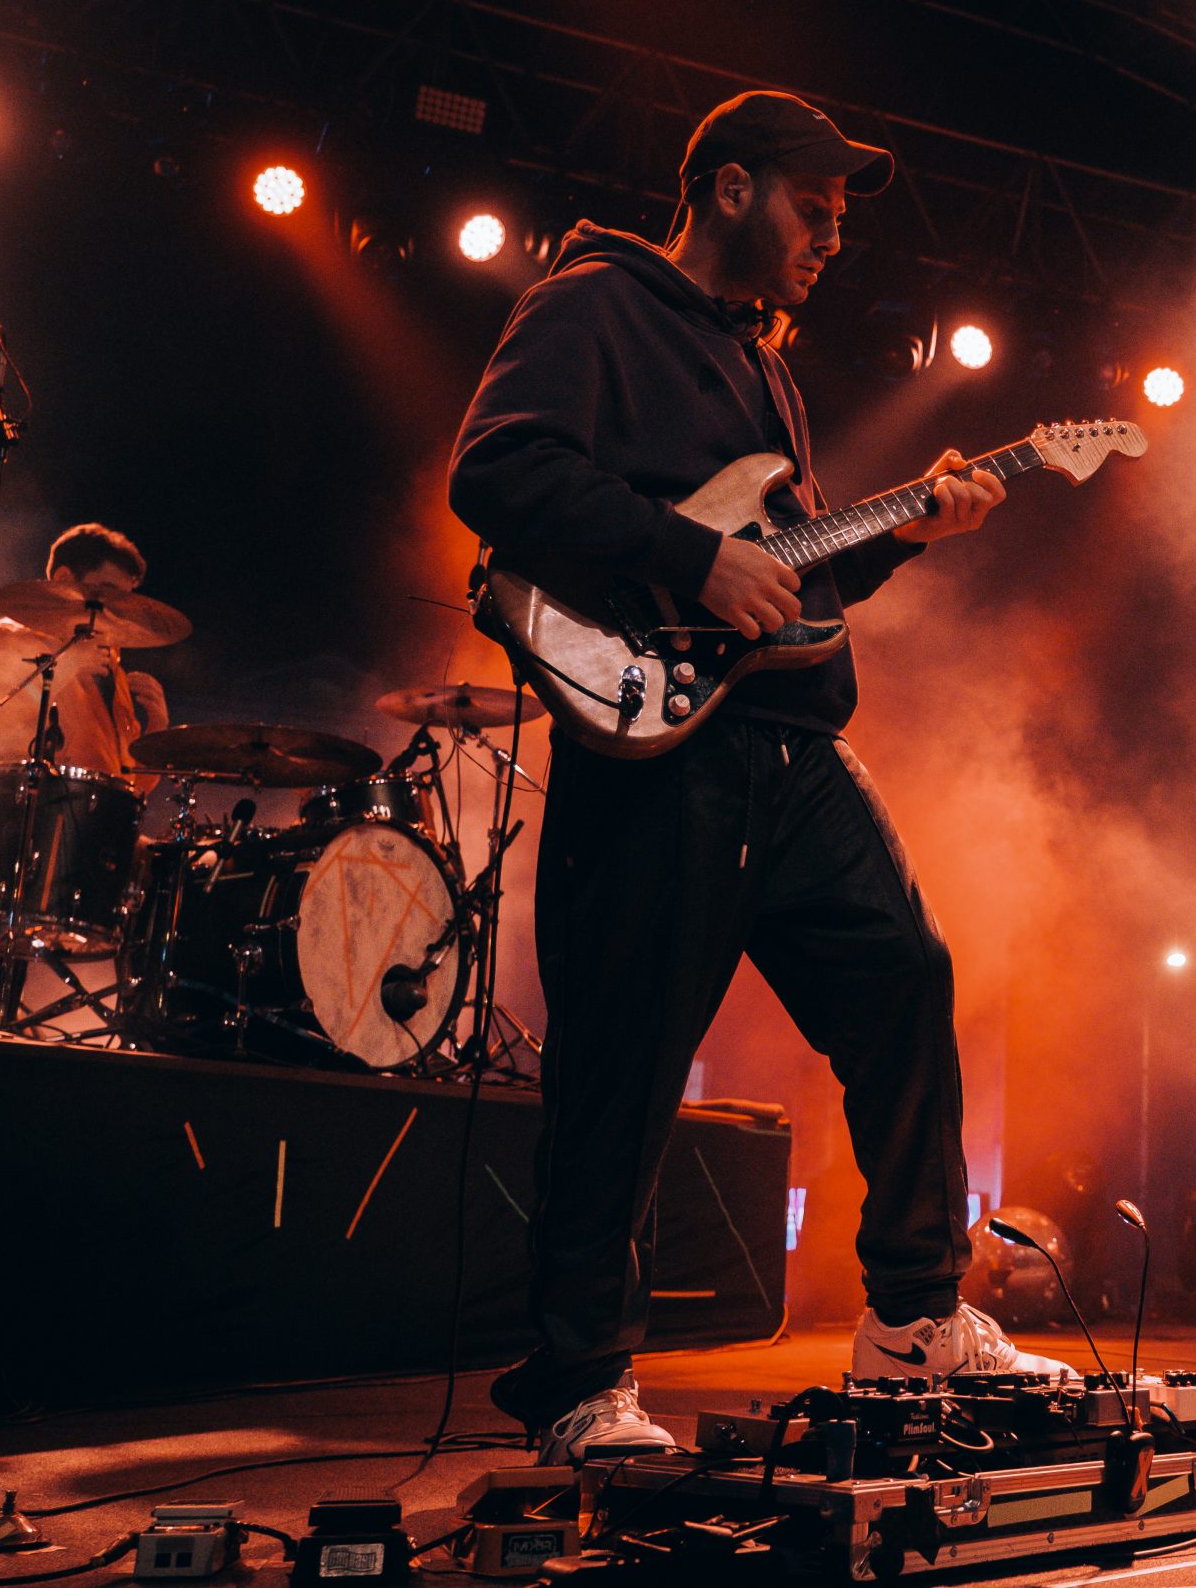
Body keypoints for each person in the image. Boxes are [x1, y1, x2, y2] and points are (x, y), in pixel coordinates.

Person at [448, 90, 1071, 1463]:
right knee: (623, 1065)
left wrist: (908, 529)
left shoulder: (764, 368)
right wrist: (692, 559)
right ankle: (578, 1382)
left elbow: (783, 584)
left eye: (842, 215)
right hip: (652, 758)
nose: (833, 236)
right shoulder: (593, 303)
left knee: (907, 981)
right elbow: (496, 472)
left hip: (791, 746)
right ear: (729, 189)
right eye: (813, 206)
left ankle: (913, 1315)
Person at [0, 523, 170, 786]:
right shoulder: (2, 640)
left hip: (88, 811)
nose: (114, 609)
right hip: (17, 805)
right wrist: (65, 668)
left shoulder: (112, 672)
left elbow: (130, 789)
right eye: (107, 592)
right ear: (63, 579)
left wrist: (157, 725)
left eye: (123, 600)